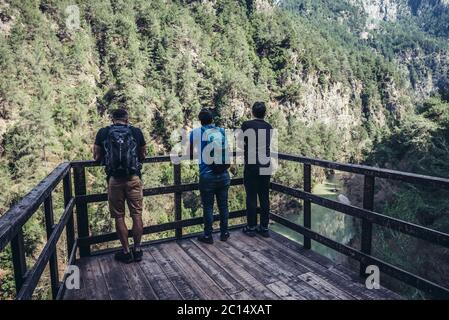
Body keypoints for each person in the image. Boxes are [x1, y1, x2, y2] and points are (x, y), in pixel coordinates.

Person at [93, 109, 147, 263]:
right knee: (136, 214)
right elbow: (143, 155)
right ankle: (137, 250)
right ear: (127, 119)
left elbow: (96, 157)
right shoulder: (136, 132)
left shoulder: (103, 132)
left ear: (112, 119)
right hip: (134, 178)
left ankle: (125, 251)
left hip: (115, 180)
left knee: (119, 216)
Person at [189, 108, 231, 244]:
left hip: (207, 175)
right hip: (224, 173)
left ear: (200, 121)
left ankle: (208, 235)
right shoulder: (222, 131)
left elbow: (190, 153)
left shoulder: (196, 132)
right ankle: (224, 233)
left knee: (208, 206)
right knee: (223, 206)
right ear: (212, 119)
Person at [241, 102, 273, 238]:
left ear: (252, 112)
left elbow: (241, 141)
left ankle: (251, 227)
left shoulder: (246, 125)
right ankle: (264, 227)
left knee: (251, 196)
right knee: (264, 196)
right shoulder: (269, 127)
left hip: (252, 165)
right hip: (265, 164)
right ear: (264, 113)